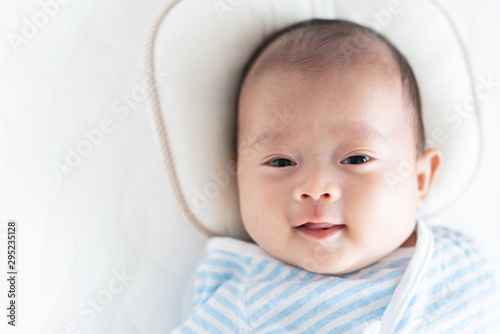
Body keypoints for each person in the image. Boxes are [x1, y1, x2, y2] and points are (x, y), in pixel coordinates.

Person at [172, 19, 500, 333]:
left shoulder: (462, 262)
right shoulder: (242, 302)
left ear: (420, 179)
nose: (316, 188)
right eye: (281, 162)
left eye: (356, 158)